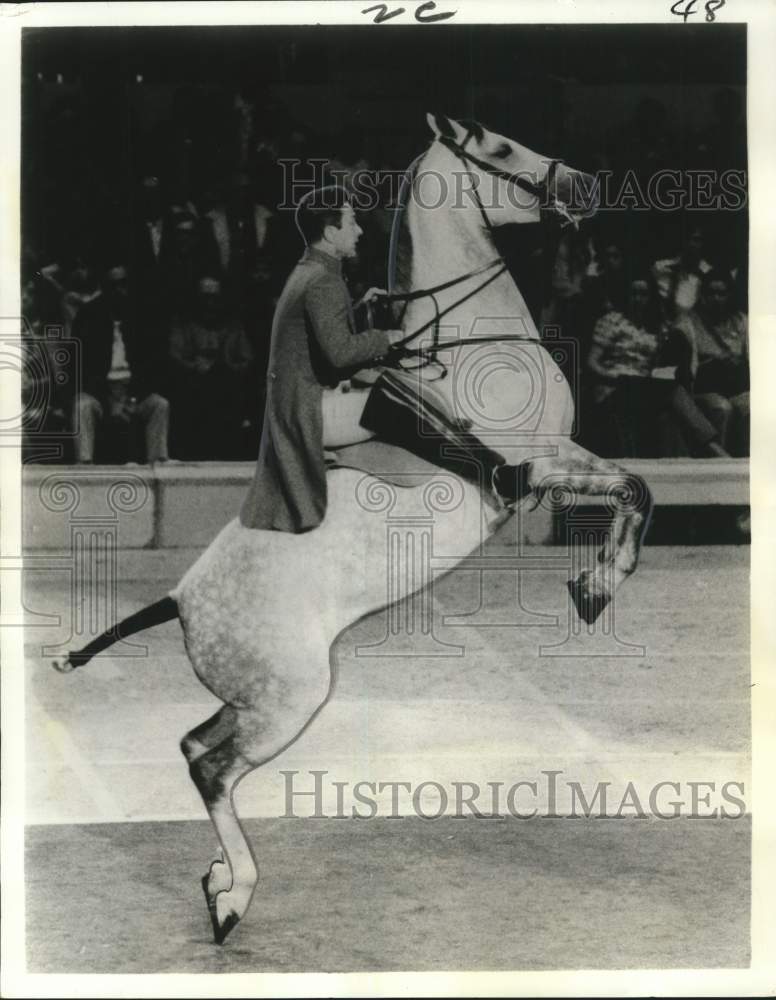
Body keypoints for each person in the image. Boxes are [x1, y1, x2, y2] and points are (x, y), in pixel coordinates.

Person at [240, 186, 529, 533]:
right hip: (307, 411)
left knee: (396, 388)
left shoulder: (312, 271)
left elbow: (319, 341)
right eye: (352, 223)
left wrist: (360, 311)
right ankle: (495, 475)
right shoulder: (323, 281)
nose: (359, 231)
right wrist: (386, 337)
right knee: (397, 396)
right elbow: (340, 354)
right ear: (331, 232)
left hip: (295, 403)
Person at [585, 272, 726, 458]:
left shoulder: (656, 327)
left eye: (643, 294)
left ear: (651, 297)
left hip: (644, 388)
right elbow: (591, 362)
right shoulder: (611, 320)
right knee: (669, 390)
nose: (638, 299)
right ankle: (714, 449)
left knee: (670, 389)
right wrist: (615, 378)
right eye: (634, 294)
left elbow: (660, 365)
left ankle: (702, 453)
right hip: (614, 388)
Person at [70, 264, 171, 464]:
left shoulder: (142, 315)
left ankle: (158, 463)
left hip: (134, 390)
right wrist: (109, 401)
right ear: (104, 288)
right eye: (112, 285)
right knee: (82, 406)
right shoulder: (88, 316)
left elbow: (152, 365)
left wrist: (132, 399)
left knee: (160, 405)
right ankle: (84, 464)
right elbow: (79, 366)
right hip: (101, 391)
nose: (118, 290)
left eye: (123, 284)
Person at [168, 275, 254, 460]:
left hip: (226, 389)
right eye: (205, 296)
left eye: (214, 297)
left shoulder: (233, 326)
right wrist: (195, 366)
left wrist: (224, 367)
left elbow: (246, 358)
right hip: (193, 388)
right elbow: (175, 356)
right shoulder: (183, 324)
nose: (210, 302)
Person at [672, 269, 749, 456]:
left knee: (751, 407)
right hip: (703, 389)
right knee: (721, 408)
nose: (716, 298)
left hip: (735, 388)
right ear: (702, 295)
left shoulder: (741, 321)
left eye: (721, 293)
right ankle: (717, 463)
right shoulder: (688, 323)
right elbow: (683, 368)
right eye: (711, 293)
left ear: (729, 295)